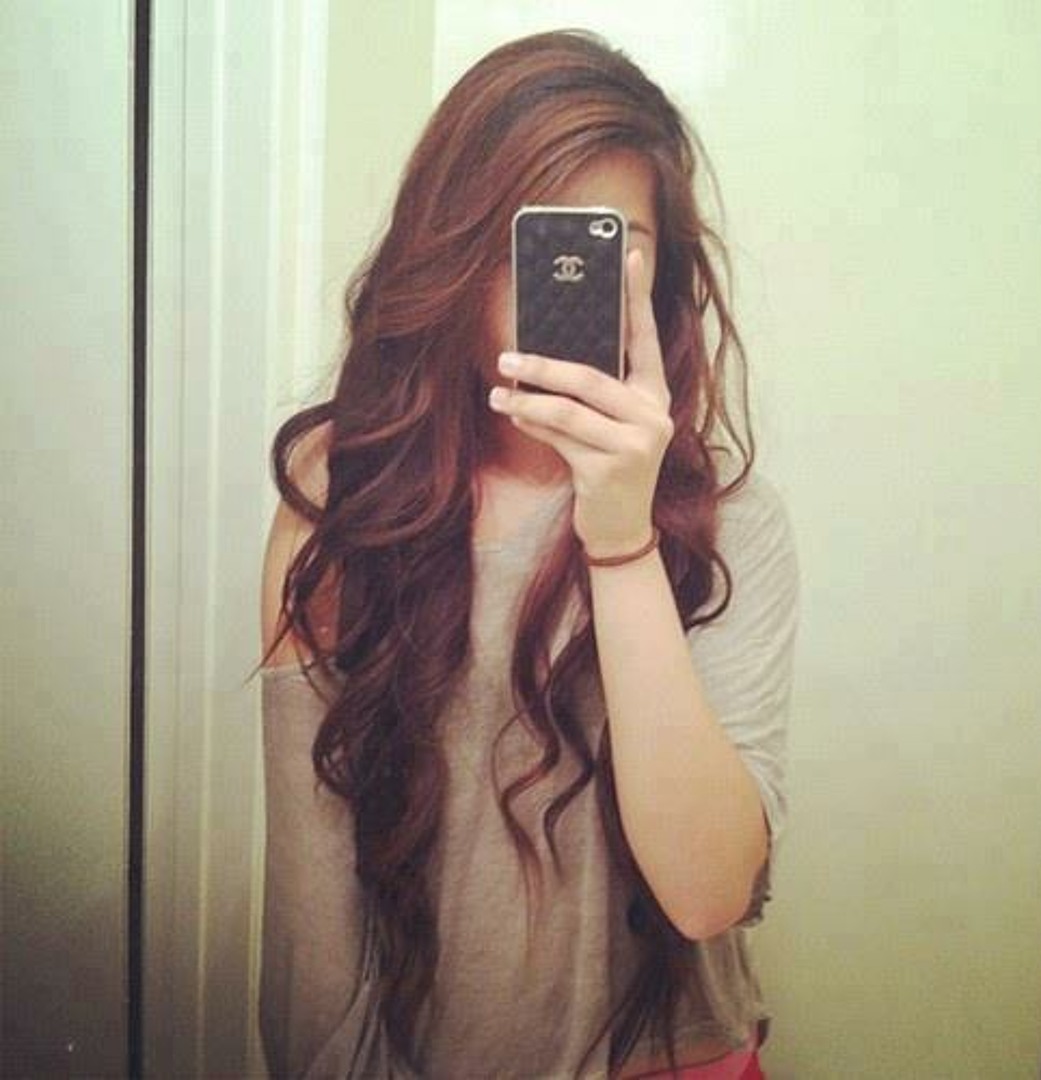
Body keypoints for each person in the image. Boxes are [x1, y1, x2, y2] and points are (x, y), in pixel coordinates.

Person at [259, 28, 798, 1080]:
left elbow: (707, 894)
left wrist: (622, 539)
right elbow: (311, 928)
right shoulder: (341, 498)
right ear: (451, 249)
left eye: (609, 246)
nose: (564, 281)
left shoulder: (733, 520)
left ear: (659, 277)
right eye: (528, 237)